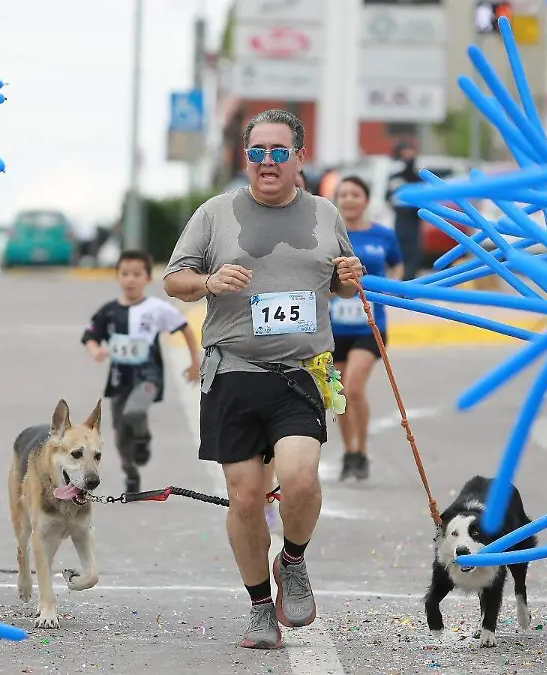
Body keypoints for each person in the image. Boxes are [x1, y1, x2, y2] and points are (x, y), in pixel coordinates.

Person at [163, 108, 363, 650]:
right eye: (258, 152)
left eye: (279, 152)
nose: (267, 162)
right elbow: (173, 280)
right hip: (232, 372)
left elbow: (342, 283)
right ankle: (258, 606)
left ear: (300, 158)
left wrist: (349, 278)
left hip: (300, 374)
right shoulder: (215, 213)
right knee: (246, 498)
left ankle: (292, 560)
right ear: (245, 157)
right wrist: (209, 280)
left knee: (300, 479)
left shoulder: (325, 214)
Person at [81, 250, 200, 493]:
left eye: (137, 274)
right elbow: (90, 336)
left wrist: (194, 362)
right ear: (118, 277)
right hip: (119, 379)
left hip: (148, 377)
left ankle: (143, 438)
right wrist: (95, 351)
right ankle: (131, 472)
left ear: (147, 278)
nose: (130, 279)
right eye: (125, 274)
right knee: (119, 431)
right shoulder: (109, 312)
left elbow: (185, 329)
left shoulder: (156, 308)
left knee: (135, 411)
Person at [329, 176, 402, 481]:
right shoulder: (327, 236)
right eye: (342, 194)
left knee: (355, 387)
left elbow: (396, 265)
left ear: (366, 199)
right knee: (341, 393)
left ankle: (362, 449)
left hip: (370, 327)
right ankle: (350, 453)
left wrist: (390, 290)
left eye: (355, 194)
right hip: (333, 329)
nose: (348, 200)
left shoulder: (383, 235)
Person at [387, 140, 423, 279]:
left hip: (414, 221)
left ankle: (409, 288)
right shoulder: (395, 176)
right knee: (401, 256)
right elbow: (389, 198)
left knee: (413, 256)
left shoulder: (418, 177)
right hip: (401, 220)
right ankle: (401, 289)